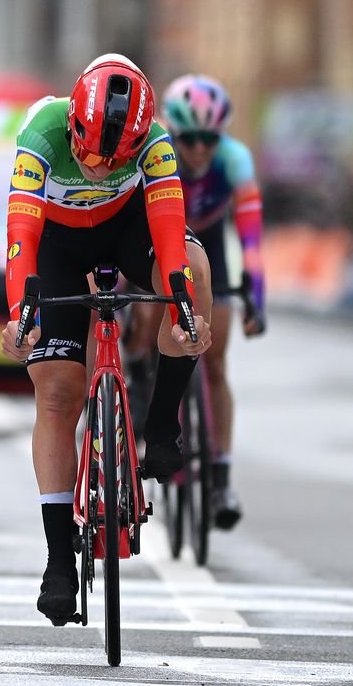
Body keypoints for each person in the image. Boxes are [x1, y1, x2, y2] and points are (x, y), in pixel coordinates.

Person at [0, 54, 212, 626]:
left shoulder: (157, 145)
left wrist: (184, 309)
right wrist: (24, 315)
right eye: (89, 153)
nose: (96, 168)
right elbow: (21, 239)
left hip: (125, 234)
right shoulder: (41, 132)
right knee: (57, 395)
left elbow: (168, 246)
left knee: (193, 264)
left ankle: (163, 421)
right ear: (73, 123)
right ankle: (57, 560)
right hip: (57, 249)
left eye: (112, 159)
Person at [126, 74, 266, 530]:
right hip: (160, 238)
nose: (201, 149)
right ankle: (145, 378)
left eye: (210, 138)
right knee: (150, 315)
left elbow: (250, 236)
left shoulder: (235, 159)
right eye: (191, 138)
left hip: (208, 245)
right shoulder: (158, 149)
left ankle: (222, 474)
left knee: (216, 360)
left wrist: (255, 295)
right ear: (174, 132)